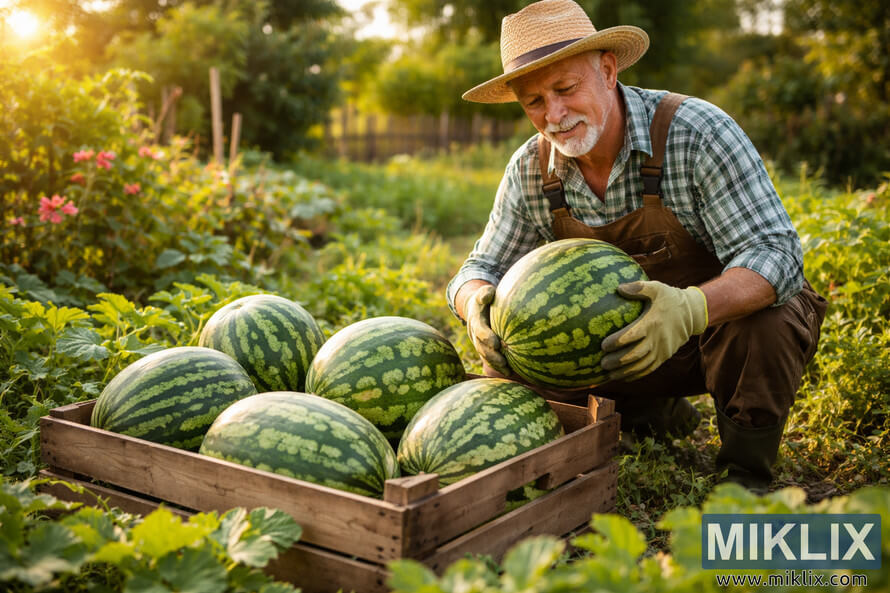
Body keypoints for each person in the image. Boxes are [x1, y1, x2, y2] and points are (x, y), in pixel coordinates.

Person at [447, 0, 827, 491]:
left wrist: (689, 309)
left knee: (769, 318)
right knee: (510, 345)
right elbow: (480, 267)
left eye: (565, 88)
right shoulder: (529, 169)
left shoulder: (695, 133)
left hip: (704, 343)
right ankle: (640, 416)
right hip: (609, 357)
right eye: (534, 102)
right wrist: (474, 301)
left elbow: (775, 251)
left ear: (607, 71)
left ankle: (745, 473)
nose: (554, 115)